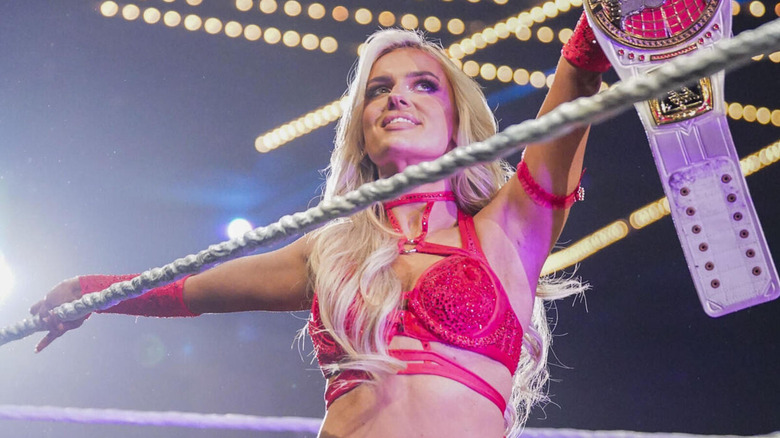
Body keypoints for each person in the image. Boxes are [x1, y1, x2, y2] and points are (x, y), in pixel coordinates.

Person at [30, 13, 609, 438]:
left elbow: (577, 80)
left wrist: (608, 16)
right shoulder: (329, 251)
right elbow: (190, 290)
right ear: (360, 130)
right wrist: (89, 293)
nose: (396, 99)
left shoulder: (511, 226)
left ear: (458, 119)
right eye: (378, 90)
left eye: (423, 85)